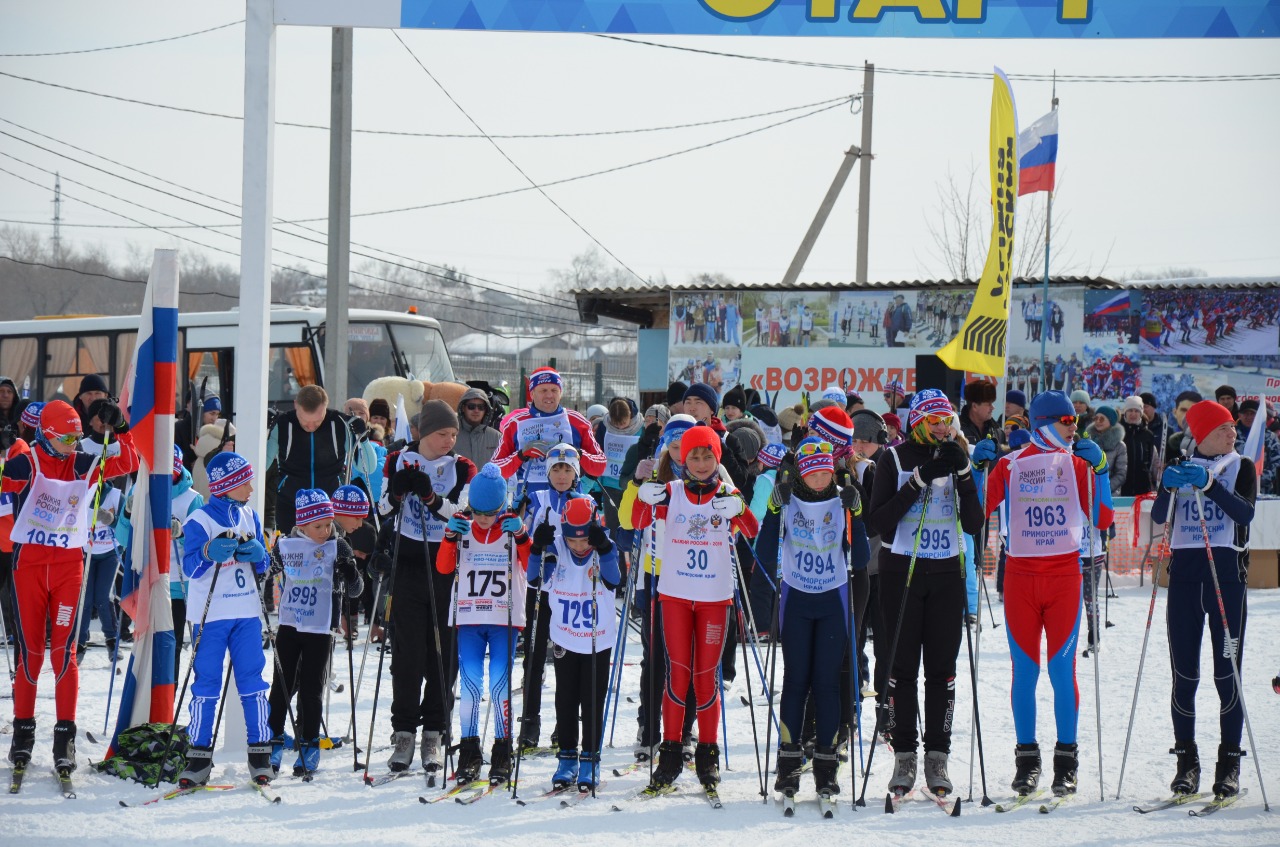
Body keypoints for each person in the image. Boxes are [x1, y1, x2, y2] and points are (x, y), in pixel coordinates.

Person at [982, 391, 1113, 798]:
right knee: (1025, 673)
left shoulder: (1078, 463)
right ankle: (1027, 762)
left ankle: (1066, 762)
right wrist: (975, 469)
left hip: (1064, 577)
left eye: (1076, 421)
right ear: (1042, 423)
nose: (1075, 427)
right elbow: (976, 509)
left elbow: (1104, 517)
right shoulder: (1009, 464)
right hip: (1020, 578)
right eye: (1067, 421)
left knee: (1061, 672)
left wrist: (1102, 470)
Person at [2, 399, 138, 778]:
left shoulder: (83, 462)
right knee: (31, 653)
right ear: (46, 435)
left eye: (78, 436)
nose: (75, 442)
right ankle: (23, 734)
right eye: (67, 436)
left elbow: (129, 463)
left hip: (67, 571)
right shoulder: (27, 462)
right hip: (28, 569)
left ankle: (65, 737)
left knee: (64, 653)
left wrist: (121, 429)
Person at [866, 390, 982, 797]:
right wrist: (918, 480)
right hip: (903, 574)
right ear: (917, 421)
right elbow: (878, 522)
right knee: (901, 670)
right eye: (932, 419)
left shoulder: (956, 455)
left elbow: (973, 524)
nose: (940, 426)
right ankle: (904, 757)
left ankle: (937, 757)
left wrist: (965, 475)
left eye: (945, 419)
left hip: (947, 573)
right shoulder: (893, 459)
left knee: (942, 671)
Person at [632, 424, 758, 791]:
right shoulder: (670, 493)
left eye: (707, 456)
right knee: (678, 674)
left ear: (717, 458)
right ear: (682, 459)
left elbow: (751, 531)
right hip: (674, 596)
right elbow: (637, 522)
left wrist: (741, 508)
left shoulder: (727, 493)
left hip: (714, 599)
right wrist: (644, 497)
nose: (701, 464)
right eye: (694, 456)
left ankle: (707, 753)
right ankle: (670, 752)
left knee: (706, 678)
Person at [755, 437, 870, 800]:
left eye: (824, 471)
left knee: (827, 684)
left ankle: (826, 767)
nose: (819, 478)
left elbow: (862, 556)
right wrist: (774, 510)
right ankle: (788, 767)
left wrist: (857, 515)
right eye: (811, 472)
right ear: (802, 474)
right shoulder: (789, 499)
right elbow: (762, 550)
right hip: (797, 600)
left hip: (833, 599)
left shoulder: (842, 498)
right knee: (795, 682)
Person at [1153, 400, 1255, 799]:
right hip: (1185, 581)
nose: (1232, 432)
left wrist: (1209, 485)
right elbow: (1162, 516)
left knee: (1226, 675)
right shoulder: (1180, 465)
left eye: (1232, 426)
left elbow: (1244, 514)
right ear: (1202, 436)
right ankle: (1187, 762)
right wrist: (1168, 485)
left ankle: (1229, 763)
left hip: (1226, 580)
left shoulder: (1240, 466)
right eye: (1223, 428)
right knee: (1186, 676)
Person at [384, 400, 476, 775]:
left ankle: (434, 732)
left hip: (446, 566)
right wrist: (395, 494)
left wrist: (431, 498)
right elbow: (382, 509)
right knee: (406, 654)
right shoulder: (398, 460)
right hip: (407, 564)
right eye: (442, 434)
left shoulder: (463, 467)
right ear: (424, 432)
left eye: (454, 434)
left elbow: (463, 513)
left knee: (443, 652)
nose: (449, 440)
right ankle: (404, 731)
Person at [176, 451, 274, 787]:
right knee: (206, 683)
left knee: (253, 680)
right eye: (244, 482)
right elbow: (189, 567)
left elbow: (263, 565)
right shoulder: (199, 520)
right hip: (211, 614)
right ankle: (199, 755)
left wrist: (261, 556)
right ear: (226, 486)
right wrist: (206, 553)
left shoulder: (249, 515)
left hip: (246, 612)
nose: (250, 487)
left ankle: (260, 753)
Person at [436, 463, 530, 785]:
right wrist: (449, 538)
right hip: (470, 619)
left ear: (501, 506)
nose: (484, 519)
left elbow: (532, 571)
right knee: (471, 686)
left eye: (491, 512)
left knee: (500, 686)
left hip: (504, 620)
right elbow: (444, 567)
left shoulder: (511, 528)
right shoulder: (462, 526)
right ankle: (470, 750)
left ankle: (503, 749)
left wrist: (523, 535)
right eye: (478, 512)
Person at [266, 489, 363, 776]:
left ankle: (308, 744)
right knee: (281, 686)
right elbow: (265, 572)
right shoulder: (286, 545)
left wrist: (350, 574)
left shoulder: (339, 546)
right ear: (303, 525)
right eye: (318, 526)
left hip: (321, 629)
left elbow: (356, 590)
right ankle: (272, 742)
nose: (325, 531)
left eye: (329, 524)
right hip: (290, 625)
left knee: (311, 689)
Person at [528, 497, 620, 792]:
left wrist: (603, 548)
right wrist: (535, 549)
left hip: (596, 641)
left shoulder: (603, 547)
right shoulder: (557, 548)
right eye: (572, 539)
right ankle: (567, 757)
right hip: (566, 639)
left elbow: (614, 579)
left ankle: (591, 758)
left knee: (592, 700)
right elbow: (533, 579)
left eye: (584, 540)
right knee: (565, 701)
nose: (578, 547)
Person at [516, 443, 589, 752]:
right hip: (541, 590)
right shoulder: (537, 499)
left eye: (567, 469)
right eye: (556, 469)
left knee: (568, 659)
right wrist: (535, 543)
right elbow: (521, 539)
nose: (561, 475)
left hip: (571, 592)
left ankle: (566, 723)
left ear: (575, 473)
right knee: (533, 658)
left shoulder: (586, 502)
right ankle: (530, 724)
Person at [491, 367, 606, 502]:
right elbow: (495, 468)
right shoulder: (515, 423)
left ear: (561, 393)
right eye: (543, 390)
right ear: (532, 393)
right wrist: (521, 455)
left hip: (570, 498)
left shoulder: (576, 421)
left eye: (554, 390)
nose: (549, 395)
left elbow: (600, 466)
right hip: (529, 499)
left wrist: (577, 453)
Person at [268, 385, 363, 534]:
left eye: (318, 421)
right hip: (291, 505)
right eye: (304, 421)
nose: (311, 426)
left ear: (326, 407)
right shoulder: (283, 423)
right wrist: (264, 430)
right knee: (290, 554)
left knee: (330, 554)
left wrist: (362, 438)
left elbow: (366, 467)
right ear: (295, 406)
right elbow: (260, 465)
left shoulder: (340, 424)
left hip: (330, 506)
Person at [1234, 399, 1280, 496]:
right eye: (1245, 413)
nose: (1249, 417)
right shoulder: (1231, 436)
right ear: (1239, 415)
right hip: (1236, 491)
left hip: (1264, 491)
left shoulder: (1270, 437)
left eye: (1252, 413)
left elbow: (1277, 464)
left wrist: (1258, 479)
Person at [455, 387, 500, 471]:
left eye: (481, 407)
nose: (476, 410)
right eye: (471, 406)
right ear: (463, 408)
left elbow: (504, 468)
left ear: (486, 410)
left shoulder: (496, 437)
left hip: (487, 484)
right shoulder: (452, 435)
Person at [1086, 406, 1127, 498]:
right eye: (1096, 418)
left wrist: (1104, 488)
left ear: (1110, 421)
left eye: (1101, 419)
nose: (1097, 421)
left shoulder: (1119, 446)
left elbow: (1121, 474)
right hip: (1087, 494)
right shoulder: (1087, 442)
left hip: (1110, 495)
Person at [1119, 396, 1156, 497]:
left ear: (1141, 413)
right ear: (1125, 412)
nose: (1133, 414)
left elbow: (1151, 461)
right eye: (1130, 410)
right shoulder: (1119, 432)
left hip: (1143, 488)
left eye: (1137, 411)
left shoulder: (1148, 435)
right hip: (1122, 488)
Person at [959, 380, 1004, 447]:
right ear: (975, 406)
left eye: (992, 403)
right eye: (988, 404)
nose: (992, 407)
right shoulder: (957, 429)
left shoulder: (998, 432)